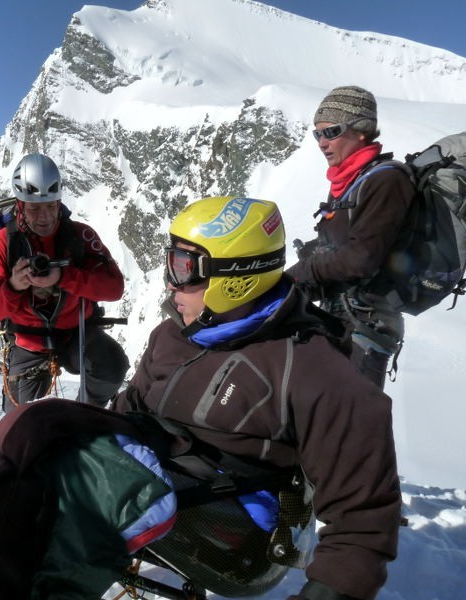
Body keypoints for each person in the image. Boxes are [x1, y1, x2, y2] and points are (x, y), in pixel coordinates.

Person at [112, 196, 402, 600]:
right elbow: (126, 412)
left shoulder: (314, 373)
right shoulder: (173, 334)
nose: (170, 282)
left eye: (183, 268)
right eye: (170, 263)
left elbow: (363, 524)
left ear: (234, 277)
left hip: (232, 541)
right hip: (156, 493)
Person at [286, 85, 416, 389]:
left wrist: (305, 271)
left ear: (361, 130)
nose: (321, 142)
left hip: (367, 329)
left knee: (351, 422)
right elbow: (344, 241)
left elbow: (361, 258)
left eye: (331, 132)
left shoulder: (386, 180)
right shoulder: (350, 182)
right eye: (317, 134)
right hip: (340, 317)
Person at [0, 152, 130, 411]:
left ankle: (86, 416)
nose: (45, 216)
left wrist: (64, 277)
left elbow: (114, 287)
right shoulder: (3, 243)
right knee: (21, 423)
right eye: (35, 208)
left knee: (112, 365)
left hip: (76, 332)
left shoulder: (80, 236)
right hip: (29, 340)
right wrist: (14, 286)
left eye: (51, 206)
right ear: (20, 205)